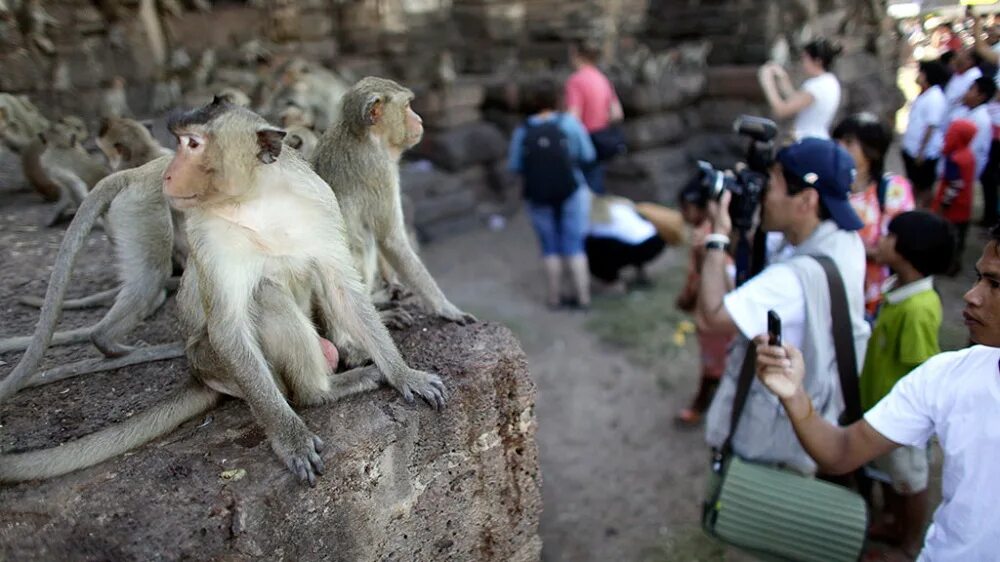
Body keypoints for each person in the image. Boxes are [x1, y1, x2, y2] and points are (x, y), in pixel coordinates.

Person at [753, 225, 1000, 562]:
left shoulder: (919, 312)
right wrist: (793, 394)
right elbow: (840, 451)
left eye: (995, 284)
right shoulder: (946, 377)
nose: (972, 295)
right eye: (979, 279)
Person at [697, 137, 870, 474]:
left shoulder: (794, 280)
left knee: (751, 504)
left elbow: (711, 316)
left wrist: (717, 234)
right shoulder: (842, 239)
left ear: (806, 200)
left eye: (771, 183)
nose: (763, 193)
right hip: (808, 405)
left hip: (773, 431)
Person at [858, 211, 955, 562]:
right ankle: (894, 523)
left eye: (888, 235)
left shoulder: (917, 310)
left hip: (905, 424)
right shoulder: (898, 290)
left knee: (911, 482)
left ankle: (909, 545)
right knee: (891, 474)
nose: (879, 241)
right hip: (884, 412)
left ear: (905, 249)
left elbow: (922, 370)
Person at [507, 79, 595, 310]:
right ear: (558, 99)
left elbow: (515, 165)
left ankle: (554, 298)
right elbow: (587, 154)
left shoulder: (523, 130)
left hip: (537, 194)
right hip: (571, 189)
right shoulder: (569, 124)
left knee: (550, 247)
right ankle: (583, 298)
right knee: (574, 245)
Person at [834, 113, 916, 320]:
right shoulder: (828, 187)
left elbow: (900, 246)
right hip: (831, 290)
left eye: (849, 142)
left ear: (872, 151)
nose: (839, 147)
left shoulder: (893, 190)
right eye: (837, 140)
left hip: (872, 298)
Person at [675, 180, 735, 426]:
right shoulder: (714, 232)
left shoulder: (709, 238)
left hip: (716, 313)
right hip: (712, 311)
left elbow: (708, 275)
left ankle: (703, 405)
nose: (683, 215)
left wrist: (689, 295)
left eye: (686, 208)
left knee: (716, 364)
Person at [564, 38, 624, 195]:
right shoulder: (603, 79)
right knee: (597, 182)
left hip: (584, 138)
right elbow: (617, 113)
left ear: (577, 55)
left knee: (580, 185)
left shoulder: (575, 81)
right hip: (603, 138)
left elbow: (573, 117)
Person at [585, 194, 680, 294]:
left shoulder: (590, 214)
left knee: (590, 248)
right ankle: (640, 274)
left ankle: (613, 284)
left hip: (638, 246)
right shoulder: (612, 202)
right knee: (618, 238)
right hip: (656, 240)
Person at [758, 39, 842, 140]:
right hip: (819, 138)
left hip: (807, 140)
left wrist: (767, 82)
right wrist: (783, 79)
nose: (803, 64)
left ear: (817, 61)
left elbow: (781, 110)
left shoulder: (816, 86)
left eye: (805, 59)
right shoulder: (831, 82)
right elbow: (796, 99)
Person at [931, 119, 978, 275]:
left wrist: (943, 205)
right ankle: (955, 264)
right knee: (959, 238)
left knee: (948, 237)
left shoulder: (955, 158)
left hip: (952, 208)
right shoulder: (969, 155)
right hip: (964, 207)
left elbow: (954, 184)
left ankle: (947, 266)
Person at [900, 60, 949, 207]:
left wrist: (921, 152)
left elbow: (931, 126)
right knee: (915, 183)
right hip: (913, 148)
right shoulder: (925, 94)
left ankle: (923, 210)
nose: (918, 75)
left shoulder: (935, 97)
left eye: (921, 72)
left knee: (924, 186)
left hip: (923, 153)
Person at [948, 76, 996, 179]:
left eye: (971, 89)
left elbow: (973, 150)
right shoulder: (967, 111)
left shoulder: (982, 120)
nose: (966, 92)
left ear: (981, 96)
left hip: (964, 171)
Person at [942, 49, 982, 124]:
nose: (958, 54)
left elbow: (962, 99)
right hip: (946, 115)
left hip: (959, 118)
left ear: (969, 61)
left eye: (962, 52)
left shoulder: (974, 75)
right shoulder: (958, 73)